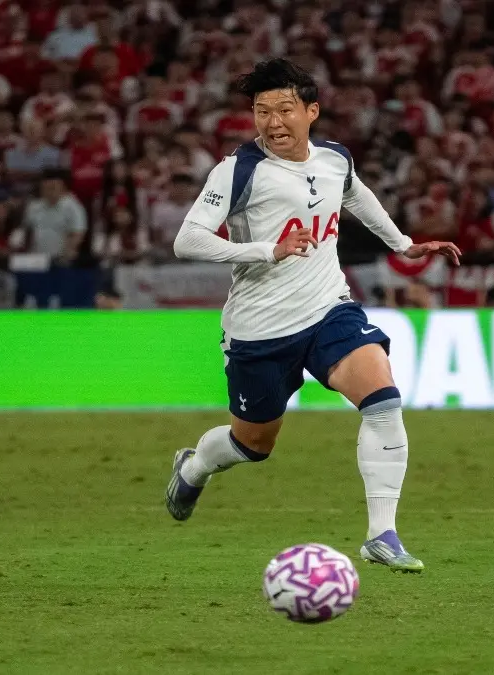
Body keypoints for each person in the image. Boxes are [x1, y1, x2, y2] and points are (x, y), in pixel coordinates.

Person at [167, 59, 460, 573]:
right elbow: (186, 239)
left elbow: (354, 194)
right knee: (251, 444)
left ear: (311, 111)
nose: (273, 122)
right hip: (260, 329)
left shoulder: (334, 158)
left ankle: (381, 534)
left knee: (384, 402)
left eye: (284, 109)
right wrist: (268, 251)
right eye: (261, 111)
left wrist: (404, 244)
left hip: (329, 308)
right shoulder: (238, 169)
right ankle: (193, 467)